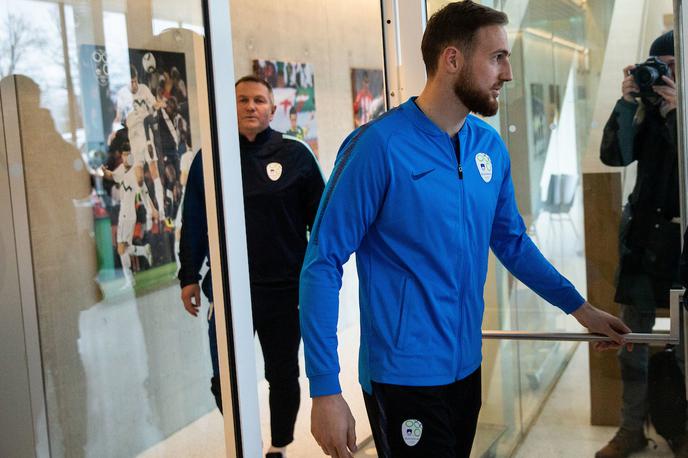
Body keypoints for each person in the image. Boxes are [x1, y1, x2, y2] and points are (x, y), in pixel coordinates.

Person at [299, 2, 630, 457]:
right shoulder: (378, 147)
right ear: (451, 59)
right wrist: (324, 389)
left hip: (466, 369)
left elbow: (512, 243)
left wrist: (580, 309)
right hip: (403, 377)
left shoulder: (487, 147)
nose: (508, 72)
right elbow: (322, 263)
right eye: (497, 57)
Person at [178, 75, 325, 458]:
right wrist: (189, 275)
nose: (250, 106)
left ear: (273, 109)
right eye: (242, 100)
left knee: (282, 374)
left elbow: (323, 223)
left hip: (282, 290)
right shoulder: (210, 159)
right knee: (224, 379)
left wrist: (320, 276)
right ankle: (246, 442)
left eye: (258, 100)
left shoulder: (296, 156)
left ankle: (278, 446)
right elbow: (194, 219)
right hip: (228, 292)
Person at [597, 30, 686, 458]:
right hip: (642, 243)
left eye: (670, 67)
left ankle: (681, 432)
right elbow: (613, 156)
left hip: (682, 245)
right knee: (632, 345)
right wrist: (628, 102)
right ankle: (630, 430)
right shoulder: (642, 111)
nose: (661, 75)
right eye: (656, 66)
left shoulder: (679, 112)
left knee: (687, 349)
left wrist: (676, 114)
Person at [101, 128, 153, 286]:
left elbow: (140, 187)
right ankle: (143, 251)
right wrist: (104, 171)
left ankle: (130, 280)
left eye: (127, 154)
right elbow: (112, 176)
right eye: (123, 154)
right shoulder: (122, 170)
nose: (124, 157)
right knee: (123, 247)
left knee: (121, 248)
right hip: (125, 213)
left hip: (128, 213)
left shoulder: (133, 174)